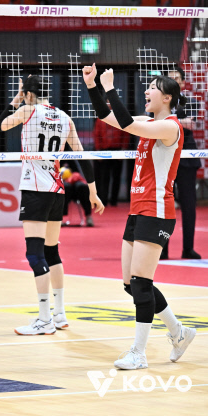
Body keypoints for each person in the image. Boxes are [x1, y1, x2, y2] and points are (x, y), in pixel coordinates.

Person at [84, 64, 196, 369]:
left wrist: (110, 87)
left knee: (141, 282)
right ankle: (179, 332)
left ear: (168, 98)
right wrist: (93, 85)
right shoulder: (148, 122)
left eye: (153, 88)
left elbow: (124, 121)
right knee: (129, 284)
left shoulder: (170, 127)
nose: (146, 91)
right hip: (138, 210)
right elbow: (106, 116)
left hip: (157, 211)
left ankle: (139, 352)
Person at [0, 75, 104, 335]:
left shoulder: (27, 110)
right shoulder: (65, 117)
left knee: (35, 255)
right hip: (57, 191)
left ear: (28, 94)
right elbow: (82, 156)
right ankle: (59, 314)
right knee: (51, 252)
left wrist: (15, 100)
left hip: (35, 190)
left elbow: (0, 125)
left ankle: (44, 319)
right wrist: (93, 191)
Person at [161, 67, 202, 260]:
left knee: (188, 205)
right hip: (166, 157)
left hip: (187, 158)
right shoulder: (160, 101)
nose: (174, 81)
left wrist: (168, 119)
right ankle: (163, 249)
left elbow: (191, 124)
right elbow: (156, 123)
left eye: (177, 78)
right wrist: (179, 120)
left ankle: (188, 248)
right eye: (170, 78)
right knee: (164, 203)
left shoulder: (192, 101)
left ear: (183, 82)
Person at [93, 95, 130, 207]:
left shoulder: (121, 117)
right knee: (105, 177)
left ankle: (114, 200)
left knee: (116, 176)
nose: (110, 104)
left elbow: (126, 134)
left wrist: (123, 150)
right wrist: (98, 150)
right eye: (108, 102)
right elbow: (96, 135)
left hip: (117, 150)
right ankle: (103, 199)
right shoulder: (100, 119)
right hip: (104, 151)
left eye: (112, 102)